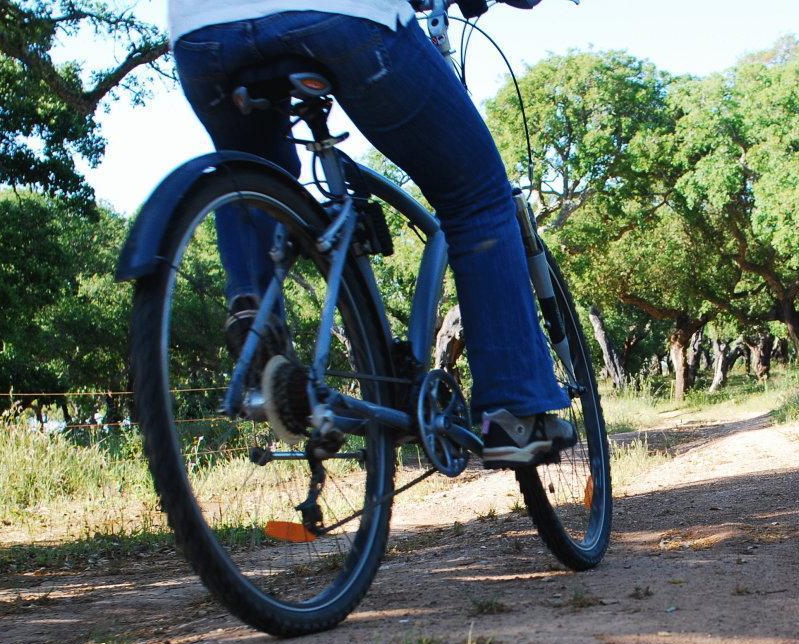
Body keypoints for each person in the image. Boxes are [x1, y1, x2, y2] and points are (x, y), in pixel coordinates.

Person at [167, 0, 574, 465]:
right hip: (338, 17)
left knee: (253, 171)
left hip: (201, 32)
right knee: (477, 193)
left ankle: (254, 313)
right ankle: (515, 411)